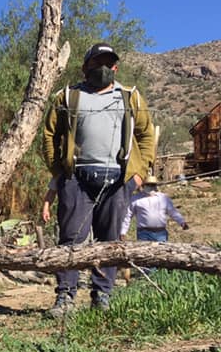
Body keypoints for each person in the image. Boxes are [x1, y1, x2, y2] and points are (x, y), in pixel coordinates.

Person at [42, 42, 156, 315]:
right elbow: (49, 135)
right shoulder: (68, 97)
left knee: (109, 241)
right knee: (71, 239)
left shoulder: (130, 97)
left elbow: (146, 135)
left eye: (109, 62)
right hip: (77, 180)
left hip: (117, 181)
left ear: (116, 67)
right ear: (85, 67)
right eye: (97, 62)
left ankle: (101, 296)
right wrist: (59, 173)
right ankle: (65, 297)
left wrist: (139, 175)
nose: (103, 68)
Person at [121, 175, 188, 242]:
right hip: (144, 233)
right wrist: (123, 232)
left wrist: (182, 222)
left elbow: (172, 212)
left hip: (160, 233)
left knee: (161, 251)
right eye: (148, 185)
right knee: (144, 251)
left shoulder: (163, 198)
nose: (150, 187)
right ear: (143, 185)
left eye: (152, 185)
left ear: (156, 186)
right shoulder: (136, 199)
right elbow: (128, 216)